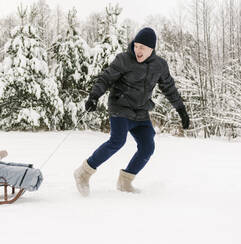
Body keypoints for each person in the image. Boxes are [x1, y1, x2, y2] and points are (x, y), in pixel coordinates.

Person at [73, 27, 190, 196]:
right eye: (136, 46)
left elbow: (169, 89)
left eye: (142, 47)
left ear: (151, 49)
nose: (137, 50)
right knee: (117, 141)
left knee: (147, 147)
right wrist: (94, 96)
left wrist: (181, 110)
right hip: (120, 107)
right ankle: (83, 173)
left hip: (141, 111)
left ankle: (125, 181)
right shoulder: (124, 59)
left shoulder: (160, 66)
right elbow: (105, 78)